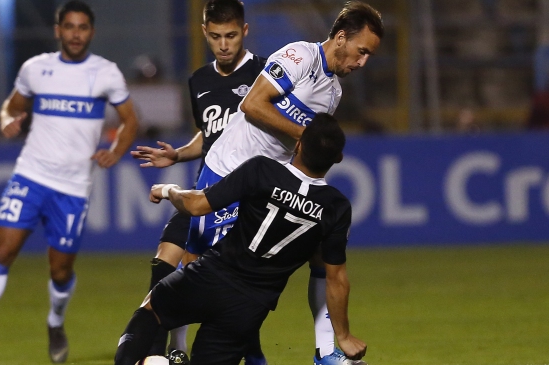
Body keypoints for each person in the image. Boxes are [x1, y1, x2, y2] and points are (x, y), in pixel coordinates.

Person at [184, 1, 383, 364]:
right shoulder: (299, 57)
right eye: (362, 51)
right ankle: (172, 346)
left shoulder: (333, 93)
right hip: (229, 169)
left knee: (320, 257)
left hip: (268, 184)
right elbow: (253, 105)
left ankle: (327, 352)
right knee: (202, 269)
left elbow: (303, 152)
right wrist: (307, 133)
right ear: (341, 38)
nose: (362, 62)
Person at [0, 1, 139, 363]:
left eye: (82, 27)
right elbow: (12, 104)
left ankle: (55, 322)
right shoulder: (36, 69)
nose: (76, 34)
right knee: (2, 251)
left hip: (73, 187)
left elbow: (130, 120)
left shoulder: (106, 73)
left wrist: (116, 150)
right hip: (31, 176)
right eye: (69, 26)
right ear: (58, 30)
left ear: (91, 32)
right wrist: (8, 117)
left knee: (61, 269)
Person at [115, 113, 365, 365]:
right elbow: (336, 278)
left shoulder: (261, 169)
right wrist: (343, 336)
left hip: (210, 276)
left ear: (298, 145)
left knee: (149, 312)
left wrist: (168, 190)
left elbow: (197, 205)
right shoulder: (336, 207)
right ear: (338, 158)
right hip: (249, 308)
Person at [132, 0, 266, 361]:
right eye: (217, 36)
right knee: (166, 260)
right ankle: (166, 353)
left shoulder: (265, 74)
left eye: (232, 35)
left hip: (243, 198)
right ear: (205, 33)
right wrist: (177, 154)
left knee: (226, 289)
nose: (224, 44)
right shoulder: (199, 80)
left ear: (245, 32)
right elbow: (208, 134)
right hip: (204, 191)